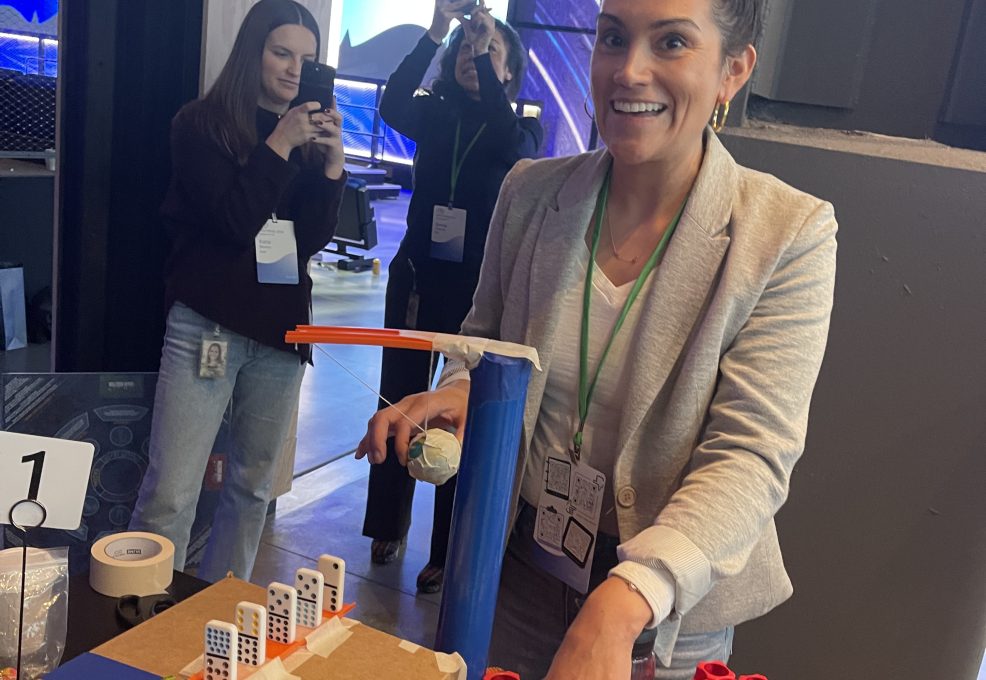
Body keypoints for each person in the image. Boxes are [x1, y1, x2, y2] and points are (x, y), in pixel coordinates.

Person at [357, 0, 837, 677]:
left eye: (670, 43)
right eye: (614, 37)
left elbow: (751, 455)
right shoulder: (530, 193)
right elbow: (483, 340)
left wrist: (629, 596)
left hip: (666, 609)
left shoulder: (788, 234)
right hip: (515, 572)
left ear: (733, 71)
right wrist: (463, 390)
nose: (629, 70)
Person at [130, 0, 346, 583]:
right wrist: (278, 146)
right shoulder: (200, 125)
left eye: (308, 59)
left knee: (252, 491)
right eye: (281, 52)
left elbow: (308, 243)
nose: (294, 70)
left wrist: (330, 167)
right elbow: (234, 220)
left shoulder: (303, 138)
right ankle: (139, 624)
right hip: (208, 326)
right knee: (172, 490)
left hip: (280, 333)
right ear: (253, 51)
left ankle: (217, 615)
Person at [362, 0, 542, 594]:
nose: (474, 59)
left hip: (476, 294)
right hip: (417, 277)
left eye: (489, 53)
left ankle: (445, 547)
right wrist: (439, 30)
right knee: (400, 396)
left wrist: (486, 52)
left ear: (509, 73)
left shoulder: (517, 129)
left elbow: (510, 140)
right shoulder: (434, 114)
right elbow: (390, 103)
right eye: (465, 52)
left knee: (454, 412)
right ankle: (387, 523)